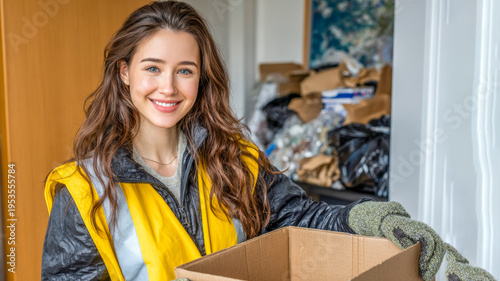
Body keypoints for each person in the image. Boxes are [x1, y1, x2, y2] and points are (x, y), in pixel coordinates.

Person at [41, 1, 495, 281]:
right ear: (124, 73)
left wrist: (370, 219)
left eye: (185, 70)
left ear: (201, 80)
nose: (169, 88)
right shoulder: (85, 192)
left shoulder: (233, 159)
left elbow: (300, 216)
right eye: (152, 68)